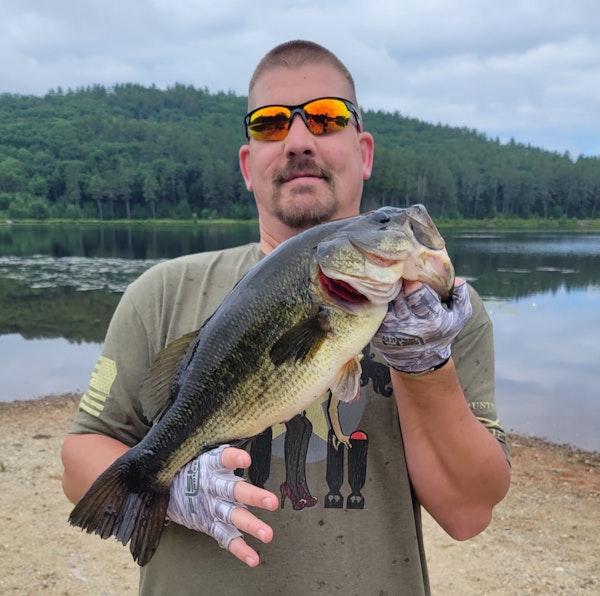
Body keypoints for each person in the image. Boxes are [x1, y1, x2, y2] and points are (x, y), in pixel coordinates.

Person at [61, 40, 511, 595]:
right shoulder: (159, 294)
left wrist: (426, 364)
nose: (298, 140)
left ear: (364, 152)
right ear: (248, 165)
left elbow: (468, 512)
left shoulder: (446, 314)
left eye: (327, 118)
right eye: (271, 124)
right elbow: (79, 459)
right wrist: (173, 491)